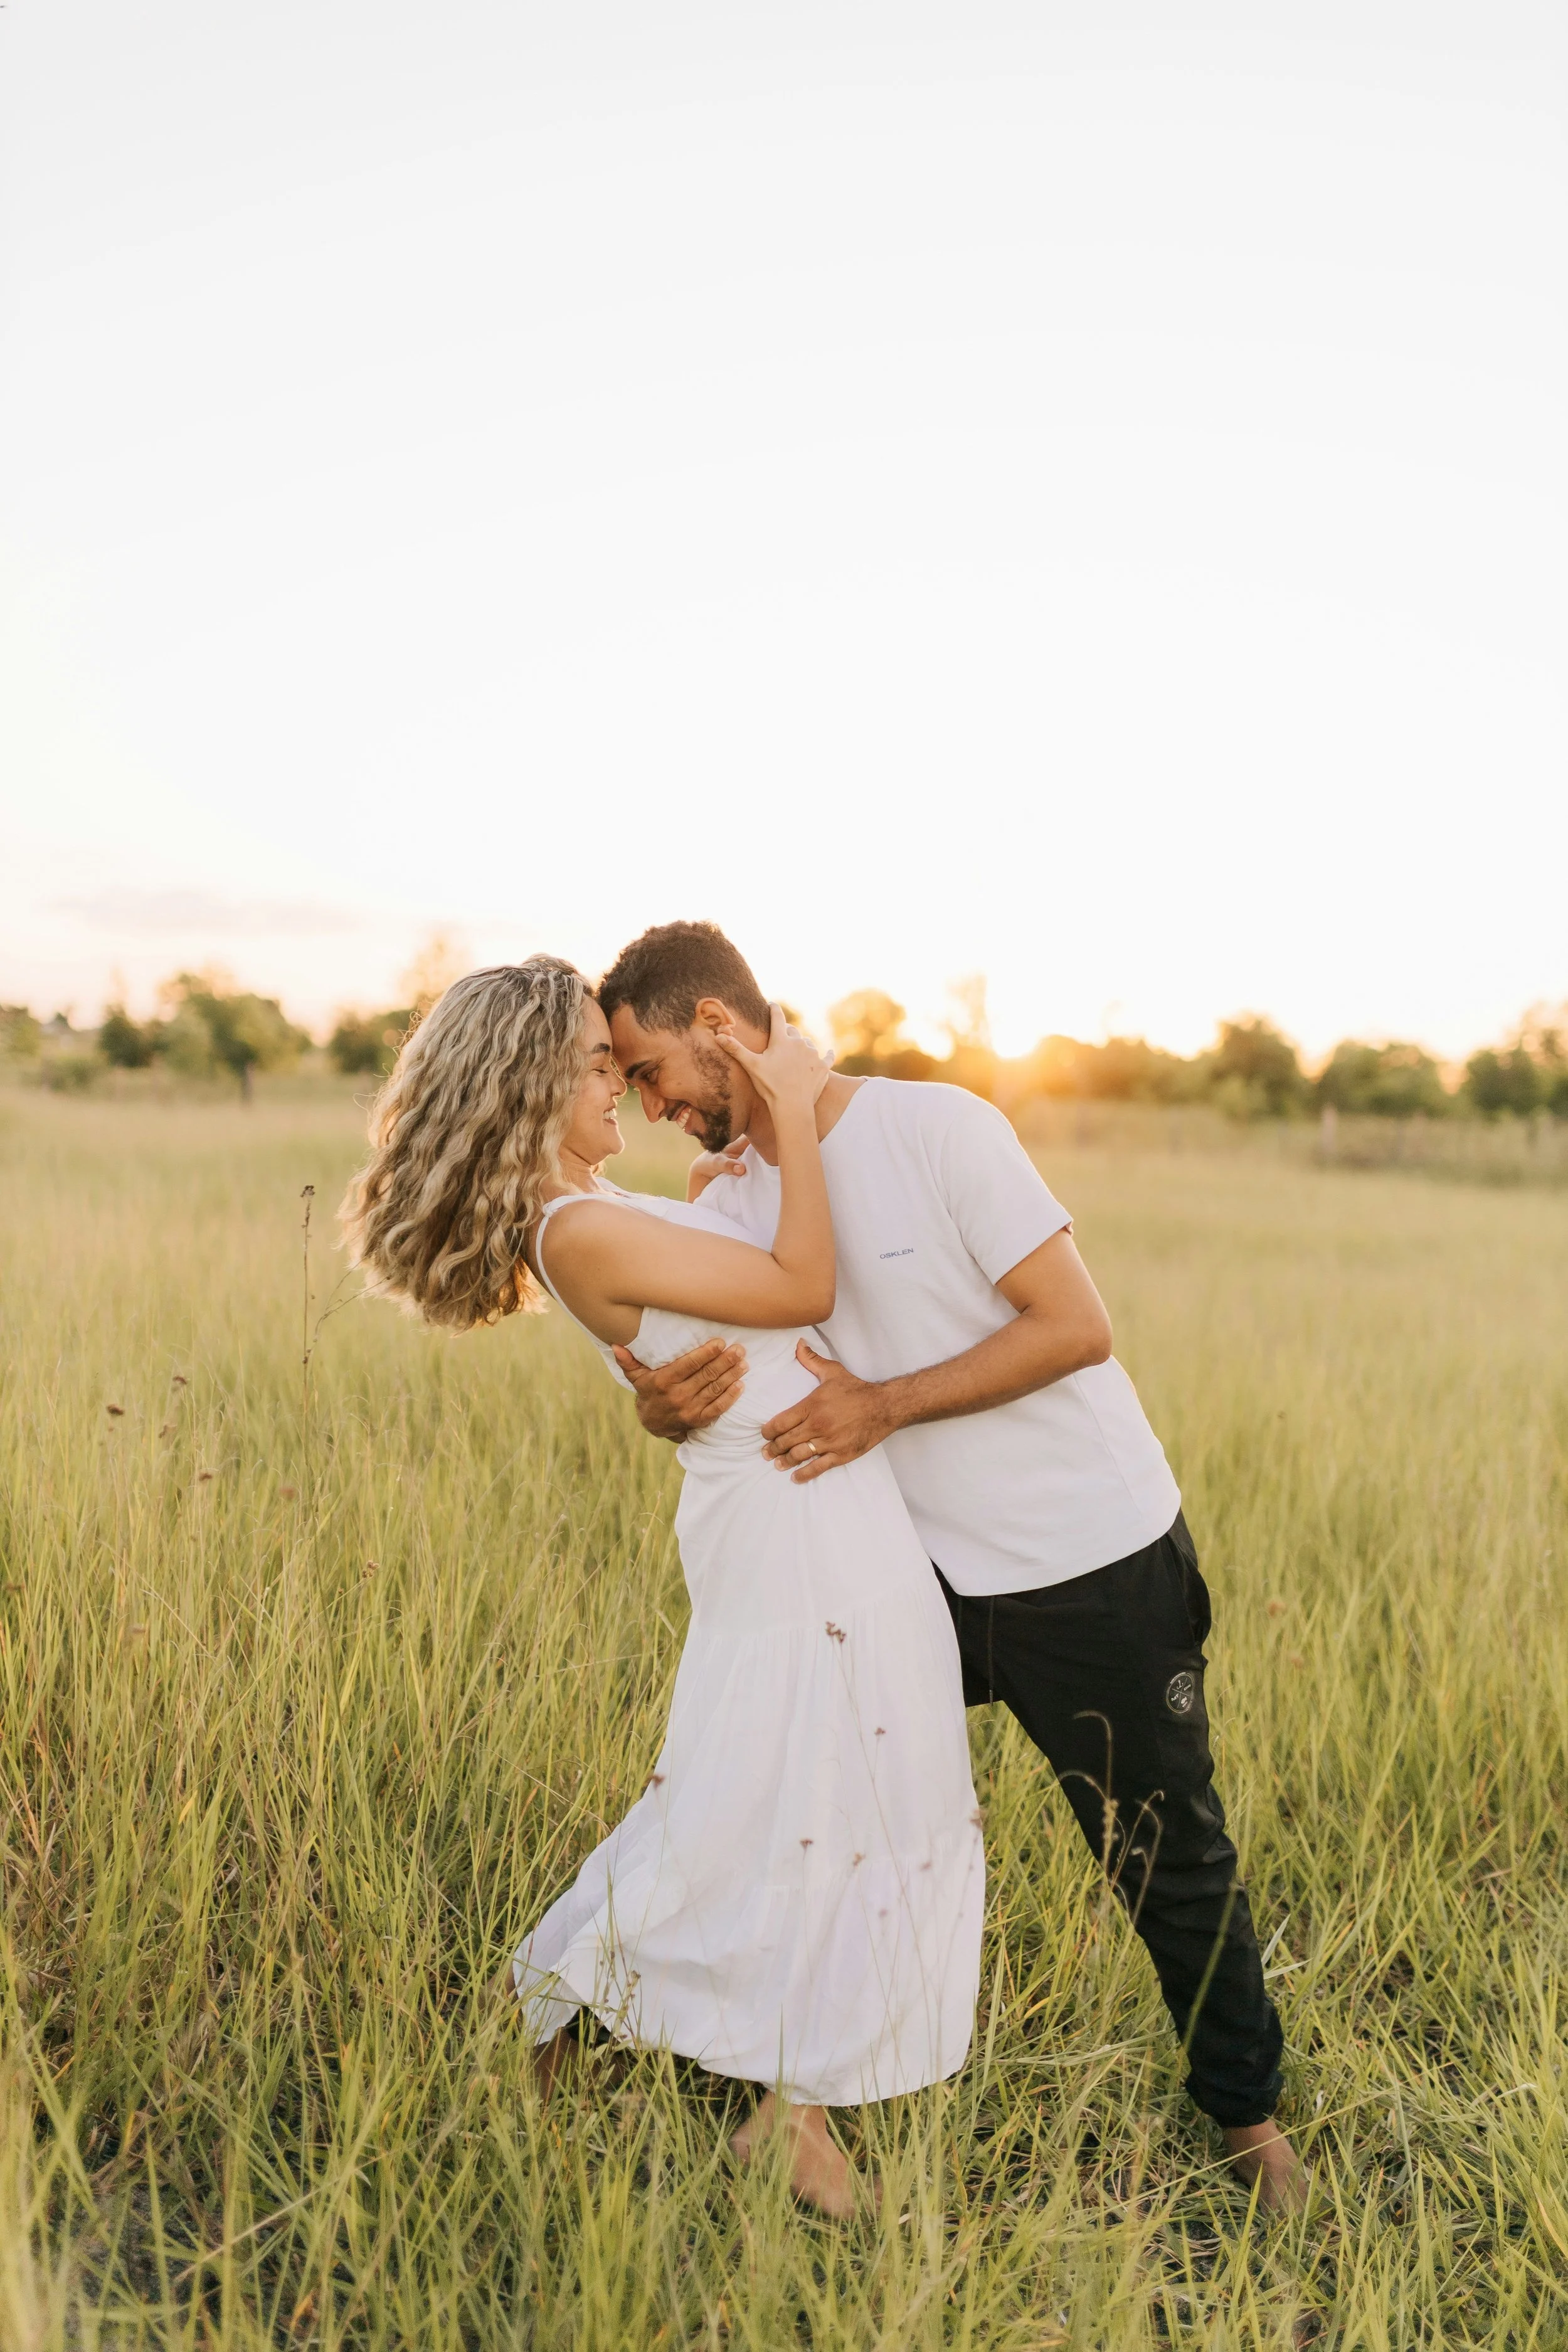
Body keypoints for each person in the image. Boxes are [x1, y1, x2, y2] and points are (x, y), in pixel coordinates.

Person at [599, 921, 1307, 2213]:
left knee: (1160, 1853)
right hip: (898, 1577)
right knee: (818, 1806)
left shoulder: (939, 1131)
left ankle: (1249, 2129)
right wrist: (660, 1411)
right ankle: (790, 2106)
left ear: (716, 1026)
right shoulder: (728, 1196)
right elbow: (713, 1380)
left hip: (1084, 1556)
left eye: (650, 1073)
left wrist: (883, 1404)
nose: (648, 1109)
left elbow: (1075, 1328)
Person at [341, 956, 983, 2217]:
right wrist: (790, 1105)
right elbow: (804, 1289)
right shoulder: (574, 1226)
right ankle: (553, 2023)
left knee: (821, 1785)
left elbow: (719, 1294)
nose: (617, 1088)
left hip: (814, 1508)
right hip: (795, 1530)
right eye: (592, 1066)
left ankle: (785, 2103)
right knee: (763, 1794)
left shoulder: (594, 1204)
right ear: (524, 1084)